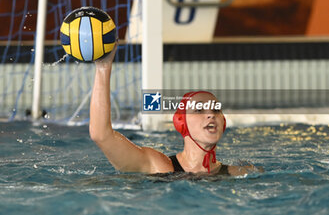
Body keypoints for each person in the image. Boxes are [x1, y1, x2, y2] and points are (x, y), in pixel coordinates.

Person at [89, 44, 262, 176]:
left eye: (216, 110)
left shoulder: (240, 173)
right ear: (181, 122)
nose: (210, 114)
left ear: (223, 122)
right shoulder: (157, 165)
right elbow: (101, 135)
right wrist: (103, 67)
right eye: (199, 110)